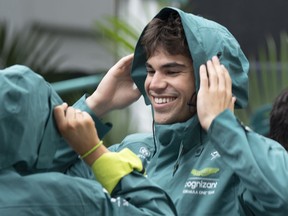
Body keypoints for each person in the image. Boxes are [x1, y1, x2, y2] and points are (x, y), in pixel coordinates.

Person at [1, 6, 288, 216]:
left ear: (211, 80)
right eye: (150, 70)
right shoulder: (132, 149)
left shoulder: (244, 158)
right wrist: (95, 105)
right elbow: (38, 176)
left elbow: (282, 197)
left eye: (172, 71)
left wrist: (221, 124)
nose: (155, 84)